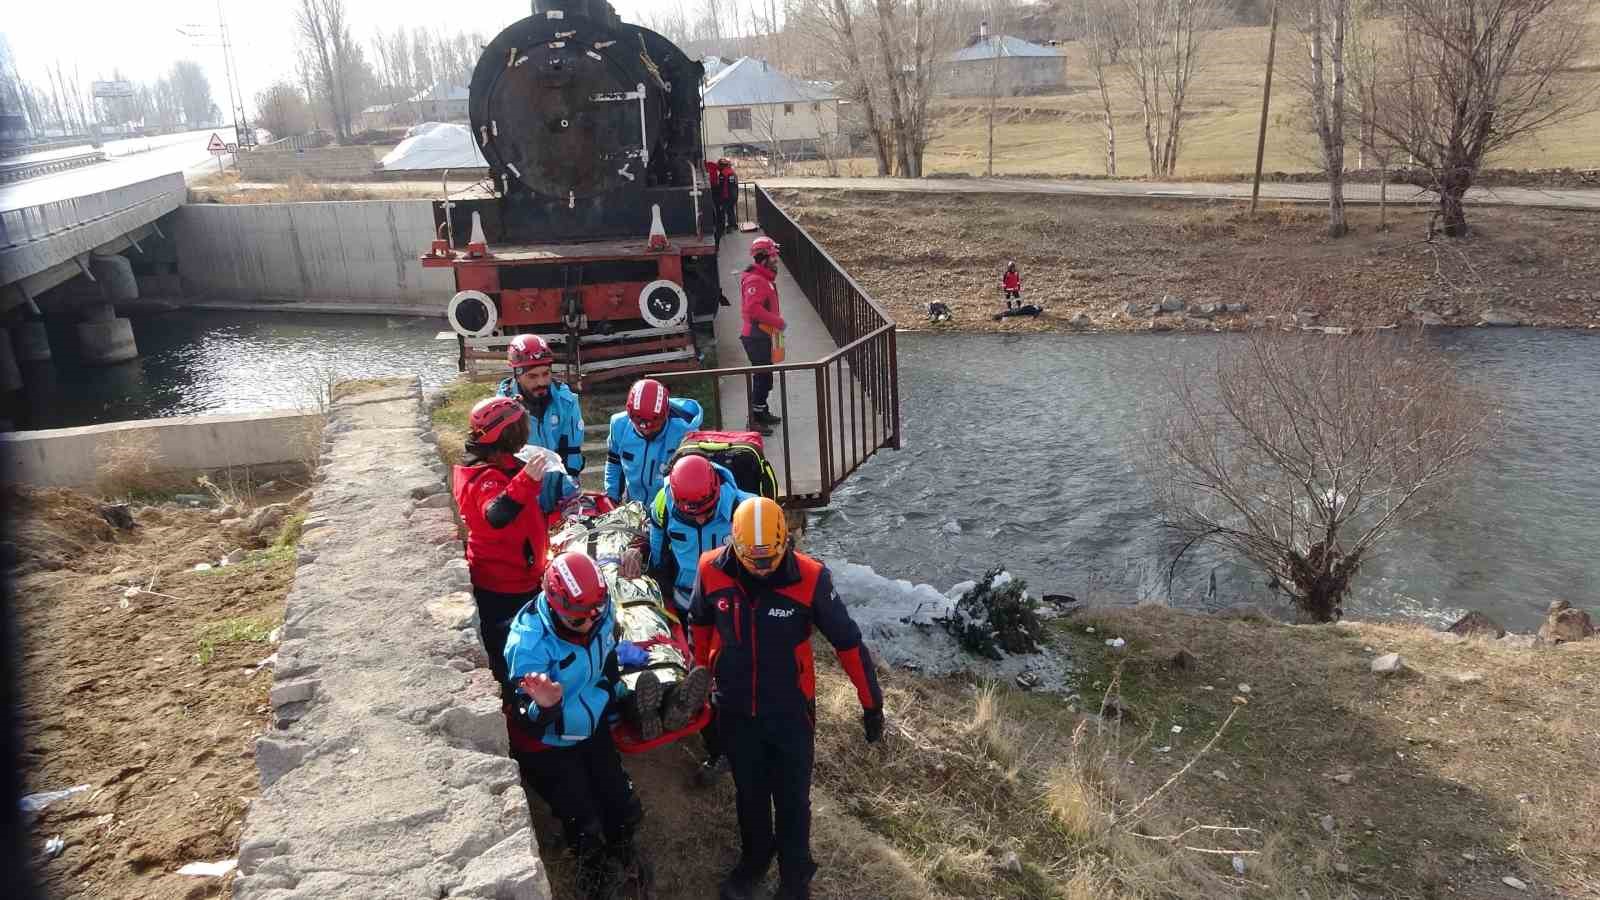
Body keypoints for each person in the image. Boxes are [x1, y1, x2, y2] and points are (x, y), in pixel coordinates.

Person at [689, 497, 885, 900]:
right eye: (753, 560)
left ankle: (796, 878)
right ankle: (755, 859)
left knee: (792, 800)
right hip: (735, 707)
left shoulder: (812, 578)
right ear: (734, 544)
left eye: (771, 559)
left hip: (791, 711)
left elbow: (847, 642)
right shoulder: (710, 570)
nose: (762, 568)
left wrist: (872, 703)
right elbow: (701, 624)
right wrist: (702, 678)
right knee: (750, 793)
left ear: (787, 542)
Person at [505, 551, 649, 899]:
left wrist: (614, 696)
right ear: (555, 607)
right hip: (549, 742)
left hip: (591, 723)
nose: (588, 624)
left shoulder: (598, 612)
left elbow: (606, 657)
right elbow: (529, 724)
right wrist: (546, 706)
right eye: (577, 620)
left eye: (594, 615)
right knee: (582, 818)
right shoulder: (528, 647)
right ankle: (593, 873)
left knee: (620, 802)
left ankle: (623, 849)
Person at [451, 396, 582, 699]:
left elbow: (521, 516)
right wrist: (527, 479)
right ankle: (523, 709)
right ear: (507, 435)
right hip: (502, 588)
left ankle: (538, 699)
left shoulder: (502, 466)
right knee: (512, 655)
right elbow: (497, 515)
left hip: (521, 578)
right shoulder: (482, 479)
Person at [496, 333, 585, 476]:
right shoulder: (501, 411)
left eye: (546, 373)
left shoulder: (566, 401)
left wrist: (569, 492)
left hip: (562, 488)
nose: (541, 382)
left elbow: (571, 452)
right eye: (532, 376)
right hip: (522, 489)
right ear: (517, 375)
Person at [605, 377, 704, 505]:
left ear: (666, 414)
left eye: (653, 427)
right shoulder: (618, 425)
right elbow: (614, 461)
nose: (646, 431)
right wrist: (611, 496)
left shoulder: (686, 434)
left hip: (670, 510)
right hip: (635, 507)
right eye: (639, 427)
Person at [740, 236, 786, 436]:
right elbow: (753, 309)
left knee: (765, 377)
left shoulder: (763, 278)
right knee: (762, 378)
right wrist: (778, 322)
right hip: (756, 337)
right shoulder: (756, 281)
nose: (776, 261)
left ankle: (761, 411)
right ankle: (753, 419)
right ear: (763, 258)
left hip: (764, 335)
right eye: (773, 257)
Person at [704, 158, 726, 237]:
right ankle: (720, 229)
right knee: (719, 211)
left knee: (717, 210)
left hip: (714, 190)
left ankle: (718, 227)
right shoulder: (719, 172)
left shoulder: (710, 165)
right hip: (716, 191)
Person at [717, 158, 739, 233]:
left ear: (722, 166)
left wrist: (720, 198)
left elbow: (721, 187)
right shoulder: (732, 172)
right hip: (734, 195)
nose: (718, 167)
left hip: (726, 196)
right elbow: (735, 184)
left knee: (723, 211)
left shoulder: (723, 174)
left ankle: (725, 228)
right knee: (731, 210)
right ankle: (733, 225)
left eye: (719, 166)